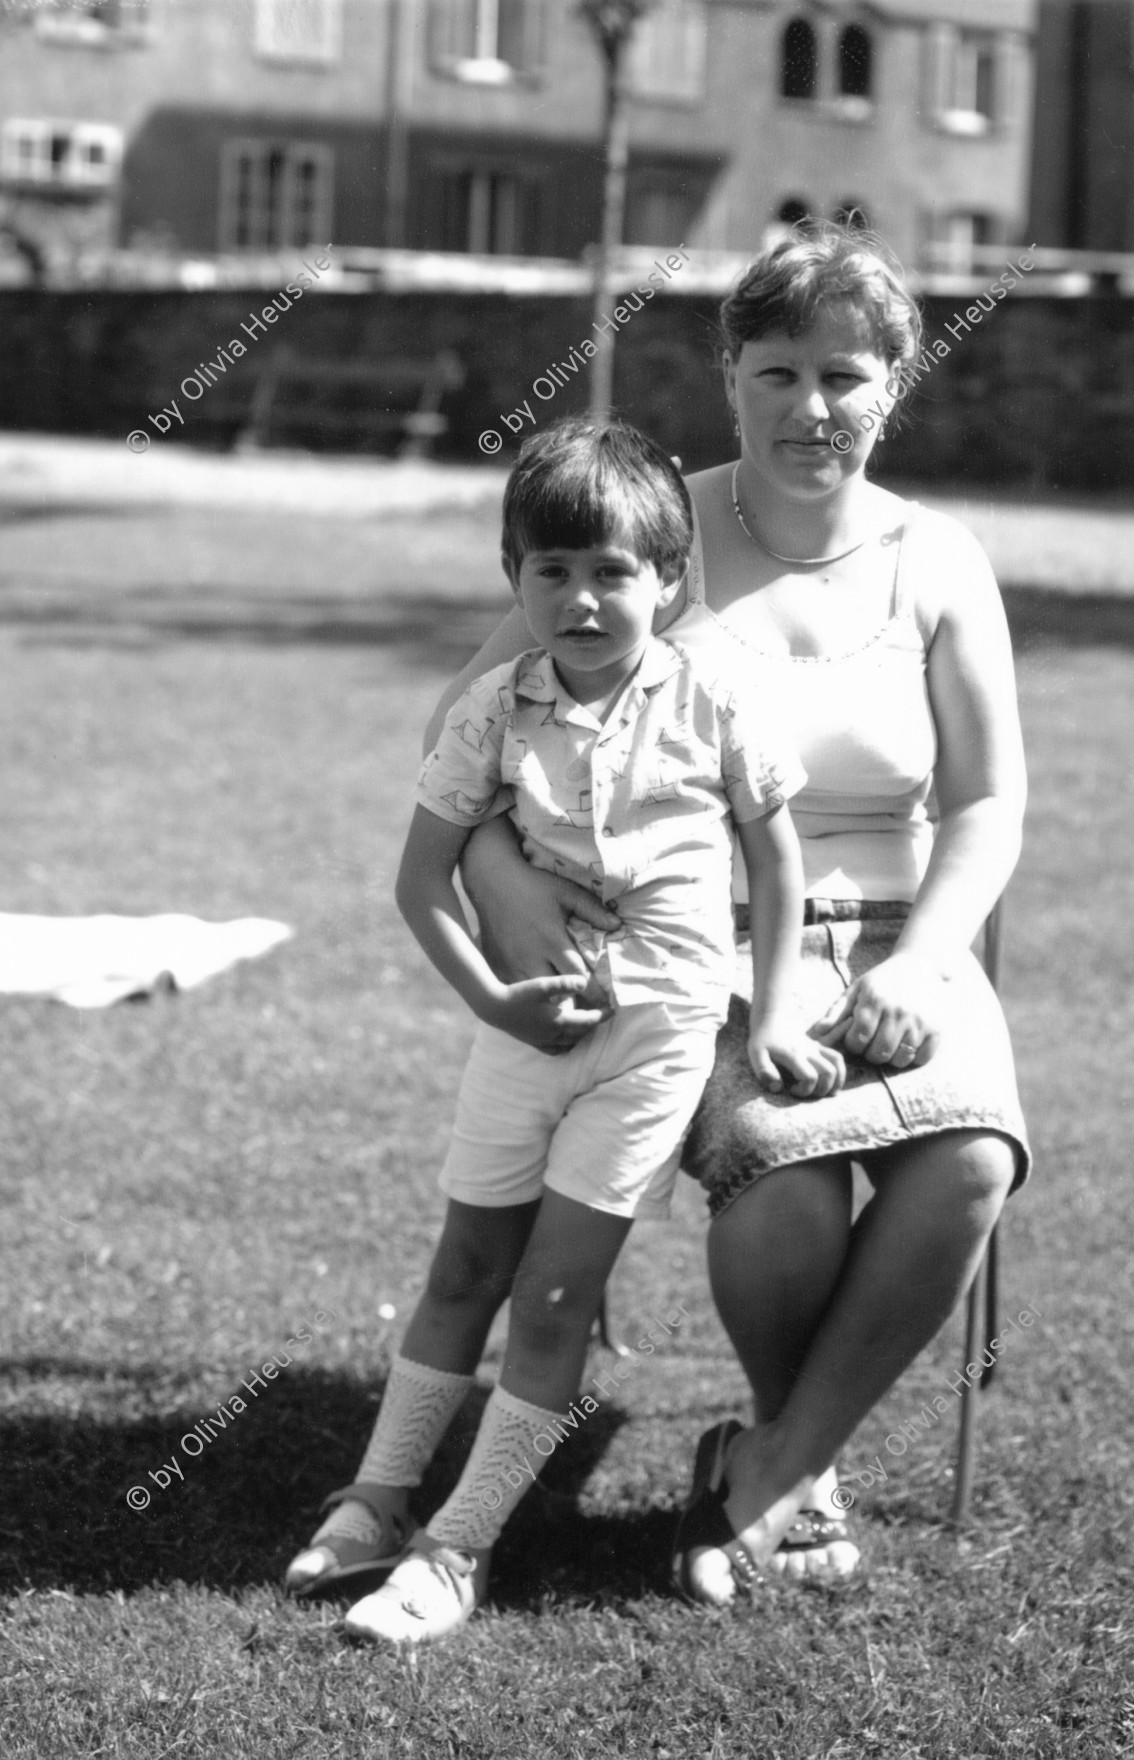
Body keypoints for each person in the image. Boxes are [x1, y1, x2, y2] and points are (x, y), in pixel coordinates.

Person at [373, 220, 1031, 1605]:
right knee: (779, 1183)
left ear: (896, 384)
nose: (811, 408)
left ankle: (772, 1462)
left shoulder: (942, 561)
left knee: (968, 1164)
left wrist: (921, 964)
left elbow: (983, 804)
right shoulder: (655, 541)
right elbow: (467, 730)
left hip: (904, 934)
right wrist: (500, 881)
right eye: (777, 370)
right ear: (727, 373)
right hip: (692, 947)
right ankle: (795, 1474)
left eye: (846, 376)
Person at [285, 417, 843, 1643]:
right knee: (463, 1271)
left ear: (670, 581)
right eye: (552, 571)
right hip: (521, 1038)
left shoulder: (714, 695)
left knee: (548, 1298)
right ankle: (375, 1499)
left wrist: (784, 1002)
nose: (583, 600)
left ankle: (458, 1547)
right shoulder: (494, 707)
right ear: (513, 577)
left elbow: (777, 859)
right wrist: (494, 998)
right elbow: (420, 879)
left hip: (656, 1044)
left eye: (613, 573)